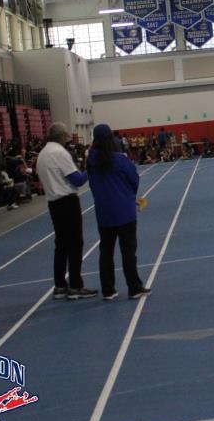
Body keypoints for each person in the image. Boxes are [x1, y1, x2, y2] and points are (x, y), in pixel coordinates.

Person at [86, 124, 150, 300]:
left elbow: (92, 185)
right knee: (128, 251)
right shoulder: (119, 159)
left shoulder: (91, 161)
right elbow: (134, 179)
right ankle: (134, 287)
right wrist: (128, 195)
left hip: (103, 213)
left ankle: (108, 289)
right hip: (124, 211)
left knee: (106, 252)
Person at [36, 123, 97, 300]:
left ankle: (60, 285)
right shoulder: (60, 153)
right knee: (75, 243)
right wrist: (89, 169)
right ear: (62, 136)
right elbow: (77, 180)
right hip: (67, 202)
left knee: (61, 244)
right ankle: (76, 285)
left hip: (53, 203)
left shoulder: (42, 154)